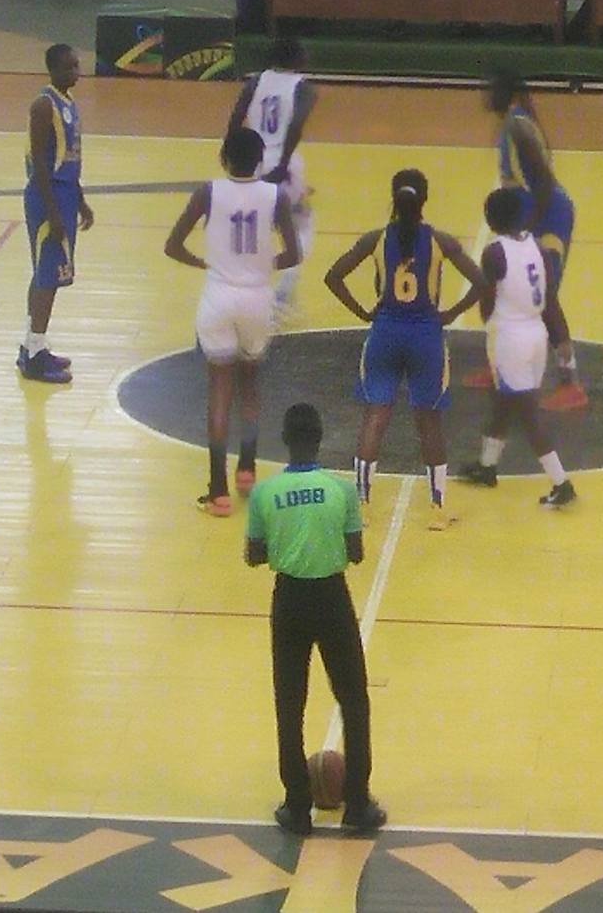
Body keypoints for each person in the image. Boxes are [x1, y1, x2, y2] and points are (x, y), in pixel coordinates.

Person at [245, 403, 385, 838]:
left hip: (289, 599)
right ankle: (357, 805)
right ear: (320, 437)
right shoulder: (340, 490)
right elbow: (357, 551)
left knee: (289, 704)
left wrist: (287, 544)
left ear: (286, 440)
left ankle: (297, 807)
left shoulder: (265, 494)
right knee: (354, 700)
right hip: (331, 598)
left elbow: (254, 555)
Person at [325, 170, 483, 529]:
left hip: (386, 333)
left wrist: (364, 312)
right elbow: (482, 283)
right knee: (429, 421)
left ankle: (361, 505)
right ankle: (437, 508)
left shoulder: (376, 240)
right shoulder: (441, 241)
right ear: (424, 200)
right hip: (425, 335)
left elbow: (333, 276)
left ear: (393, 197)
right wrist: (451, 313)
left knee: (375, 417)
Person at [164, 127, 300, 516]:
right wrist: (263, 265)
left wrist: (205, 263)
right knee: (251, 385)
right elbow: (294, 253)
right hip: (257, 298)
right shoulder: (276, 196)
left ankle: (218, 490)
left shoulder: (209, 192)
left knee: (219, 391)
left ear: (223, 159)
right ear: (260, 161)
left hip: (218, 296)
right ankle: (247, 468)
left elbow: (172, 245)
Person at [468, 71, 585, 410]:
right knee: (508, 290)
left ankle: (571, 382)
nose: (483, 94)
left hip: (548, 216)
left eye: (488, 87)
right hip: (530, 214)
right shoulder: (512, 122)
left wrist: (527, 231)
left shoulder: (517, 126)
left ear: (503, 92)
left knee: (545, 297)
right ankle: (503, 366)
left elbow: (545, 184)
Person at [461, 187, 577, 507]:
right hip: (536, 333)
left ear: (491, 218)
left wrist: (483, 321)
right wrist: (562, 345)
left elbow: (486, 297)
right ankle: (487, 466)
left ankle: (561, 482)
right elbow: (550, 295)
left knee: (526, 413)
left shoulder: (494, 252)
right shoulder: (536, 246)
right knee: (504, 400)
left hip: (510, 336)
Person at [21, 44, 95, 385]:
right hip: (46, 197)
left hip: (64, 194)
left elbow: (68, 158)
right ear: (51, 70)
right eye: (67, 68)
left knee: (48, 274)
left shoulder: (69, 103)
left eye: (76, 66)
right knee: (48, 276)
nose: (74, 72)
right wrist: (54, 213)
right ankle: (35, 354)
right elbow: (39, 164)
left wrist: (80, 200)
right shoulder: (43, 105)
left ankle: (32, 345)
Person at [227, 37, 318, 314]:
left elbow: (235, 118)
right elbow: (295, 126)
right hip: (283, 163)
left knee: (255, 227)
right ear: (296, 59)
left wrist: (230, 150)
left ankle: (242, 287)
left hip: (252, 160)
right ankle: (282, 292)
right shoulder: (303, 88)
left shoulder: (255, 82)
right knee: (300, 225)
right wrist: (284, 165)